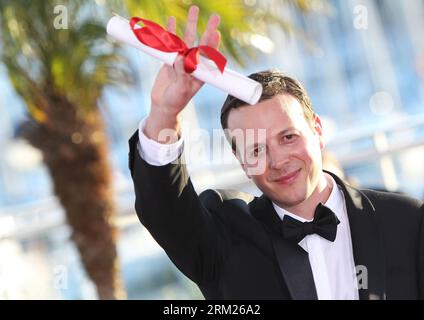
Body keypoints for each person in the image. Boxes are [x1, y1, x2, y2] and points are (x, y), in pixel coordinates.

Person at [128, 6, 424, 300]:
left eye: (288, 137)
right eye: (257, 148)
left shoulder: (407, 222)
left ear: (317, 130)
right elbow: (166, 211)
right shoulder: (224, 234)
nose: (278, 160)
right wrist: (164, 113)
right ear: (241, 161)